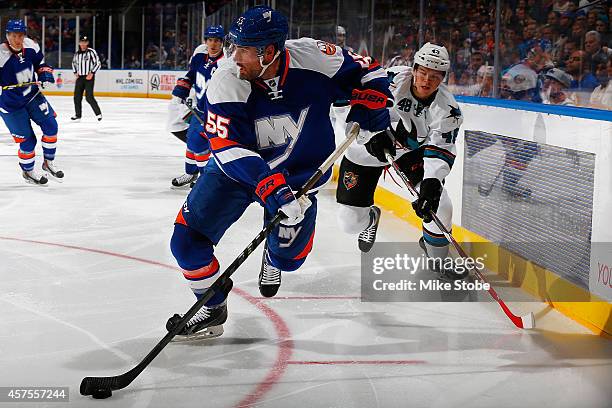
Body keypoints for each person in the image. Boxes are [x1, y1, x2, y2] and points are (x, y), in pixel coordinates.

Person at [166, 6, 391, 339]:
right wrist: (268, 186)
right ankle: (212, 308)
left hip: (299, 179)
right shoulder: (226, 80)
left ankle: (274, 254)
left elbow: (370, 72)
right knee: (186, 243)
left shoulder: (315, 57)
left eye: (243, 49)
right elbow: (226, 148)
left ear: (269, 52)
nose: (234, 56)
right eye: (233, 46)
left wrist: (371, 103)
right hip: (237, 174)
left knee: (290, 261)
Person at [335, 43, 465, 281]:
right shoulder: (390, 79)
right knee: (349, 224)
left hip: (408, 153)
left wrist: (432, 183)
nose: (426, 80)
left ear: (443, 78)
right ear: (413, 68)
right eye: (423, 72)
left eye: (435, 76)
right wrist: (369, 135)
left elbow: (441, 146)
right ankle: (370, 218)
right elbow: (348, 105)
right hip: (364, 153)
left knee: (441, 205)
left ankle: (437, 258)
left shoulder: (448, 110)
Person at [0, 19, 62, 185]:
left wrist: (45, 76)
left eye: (20, 35)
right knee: (28, 141)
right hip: (11, 104)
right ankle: (28, 171)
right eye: (14, 35)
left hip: (32, 95)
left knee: (51, 126)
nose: (17, 39)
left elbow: (41, 64)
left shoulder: (31, 45)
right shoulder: (0, 55)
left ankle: (48, 163)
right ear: (7, 36)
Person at [170, 25, 225, 189]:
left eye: (216, 40)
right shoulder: (199, 58)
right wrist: (181, 91)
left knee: (201, 145)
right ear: (205, 41)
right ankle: (190, 173)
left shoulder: (225, 64)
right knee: (192, 142)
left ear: (222, 43)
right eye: (210, 40)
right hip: (199, 110)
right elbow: (190, 76)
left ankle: (203, 180)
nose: (213, 44)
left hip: (214, 113)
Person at [71, 35, 102, 121]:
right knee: (77, 97)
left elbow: (98, 63)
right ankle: (78, 115)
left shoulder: (91, 52)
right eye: (81, 42)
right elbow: (73, 63)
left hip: (89, 77)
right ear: (79, 43)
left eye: (85, 42)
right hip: (80, 77)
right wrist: (75, 72)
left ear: (87, 43)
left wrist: (92, 73)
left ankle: (98, 114)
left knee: (89, 97)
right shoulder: (77, 54)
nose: (83, 44)